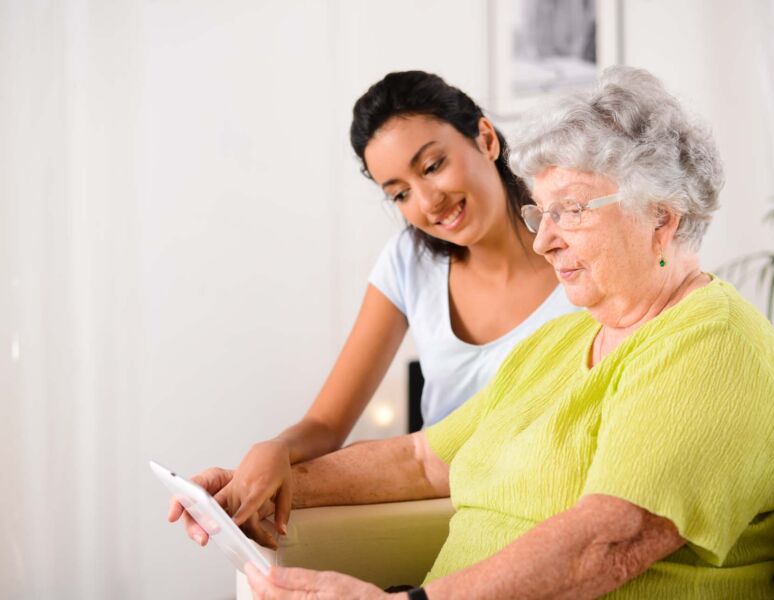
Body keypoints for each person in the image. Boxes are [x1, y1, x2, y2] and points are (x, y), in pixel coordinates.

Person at [233, 66, 774, 599]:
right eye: (542, 215)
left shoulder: (714, 342)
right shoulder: (559, 343)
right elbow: (423, 461)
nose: (545, 240)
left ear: (661, 217)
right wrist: (256, 485)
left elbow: (609, 542)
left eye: (571, 211)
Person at [168, 71, 576, 547]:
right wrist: (273, 453)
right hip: (439, 510)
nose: (428, 201)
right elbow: (326, 423)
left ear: (485, 138)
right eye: (399, 193)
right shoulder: (409, 262)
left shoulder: (579, 246)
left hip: (544, 506)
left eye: (432, 165)